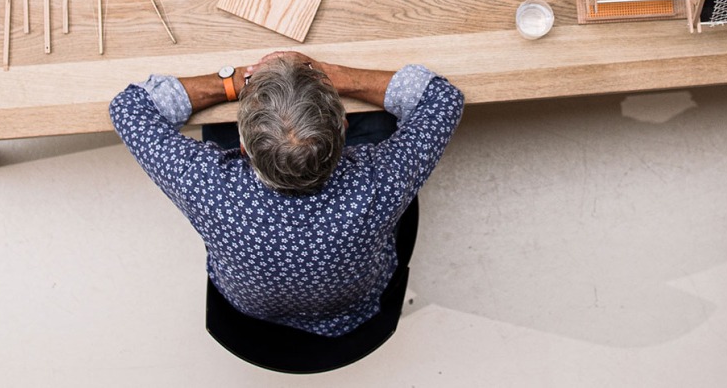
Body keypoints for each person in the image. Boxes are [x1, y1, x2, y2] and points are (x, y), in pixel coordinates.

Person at [109, 51, 464, 338]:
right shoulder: (381, 182)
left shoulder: (205, 184)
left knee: (212, 122)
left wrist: (236, 83)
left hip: (247, 308)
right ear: (342, 128)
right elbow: (441, 97)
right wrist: (335, 76)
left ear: (244, 146)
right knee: (381, 119)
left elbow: (129, 108)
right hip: (355, 307)